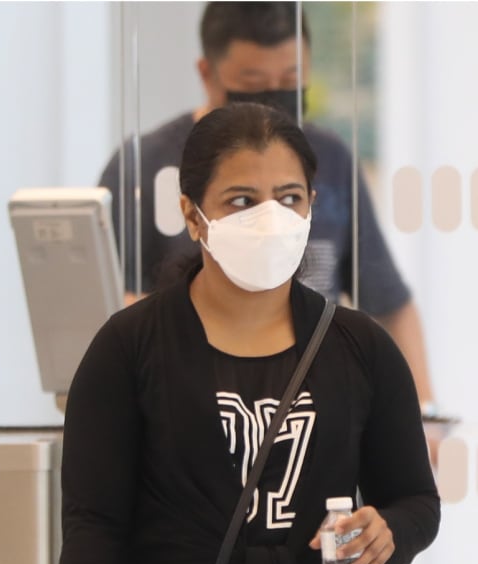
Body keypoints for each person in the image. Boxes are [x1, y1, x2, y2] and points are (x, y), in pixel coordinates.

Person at [56, 102, 440, 564]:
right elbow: (93, 530)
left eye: (289, 198)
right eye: (242, 200)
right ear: (192, 215)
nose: (270, 218)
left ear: (311, 208)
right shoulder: (129, 347)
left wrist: (386, 532)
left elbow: (415, 499)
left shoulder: (361, 347)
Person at [98, 2, 444, 461]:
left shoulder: (333, 160)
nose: (272, 102)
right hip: (190, 428)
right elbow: (102, 312)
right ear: (209, 74)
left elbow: (389, 301)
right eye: (253, 87)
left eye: (289, 83)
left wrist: (422, 412)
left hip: (316, 419)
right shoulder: (143, 168)